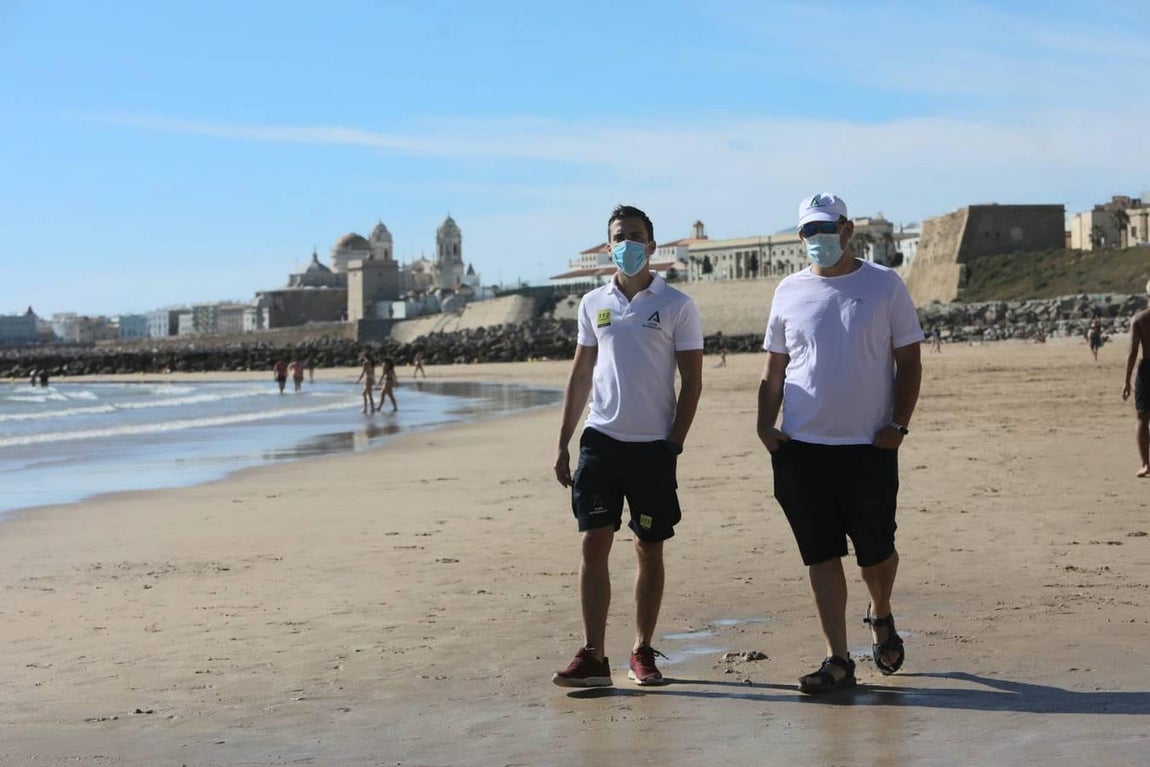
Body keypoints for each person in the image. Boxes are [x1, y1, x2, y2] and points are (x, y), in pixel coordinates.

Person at [757, 193, 923, 694]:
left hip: (869, 447)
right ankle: (837, 659)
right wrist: (764, 426)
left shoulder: (884, 285)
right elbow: (775, 367)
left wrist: (899, 426)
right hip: (802, 449)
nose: (817, 239)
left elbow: (909, 361)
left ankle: (881, 611)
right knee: (821, 555)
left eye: (826, 229)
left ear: (847, 230)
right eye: (809, 231)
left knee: (877, 554)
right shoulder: (789, 290)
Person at [552, 204, 704, 688]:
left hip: (653, 446)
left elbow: (692, 381)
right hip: (601, 440)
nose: (627, 244)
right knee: (592, 543)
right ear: (609, 244)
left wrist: (674, 442)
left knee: (648, 547)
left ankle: (642, 649)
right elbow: (581, 374)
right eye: (619, 237)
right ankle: (593, 654)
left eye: (636, 236)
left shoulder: (677, 305)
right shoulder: (593, 302)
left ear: (652, 245)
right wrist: (563, 442)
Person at [1122, 304, 1150, 477]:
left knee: (1142, 418)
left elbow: (1132, 352)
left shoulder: (1140, 319)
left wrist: (1126, 381)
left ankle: (1146, 464)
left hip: (1147, 368)